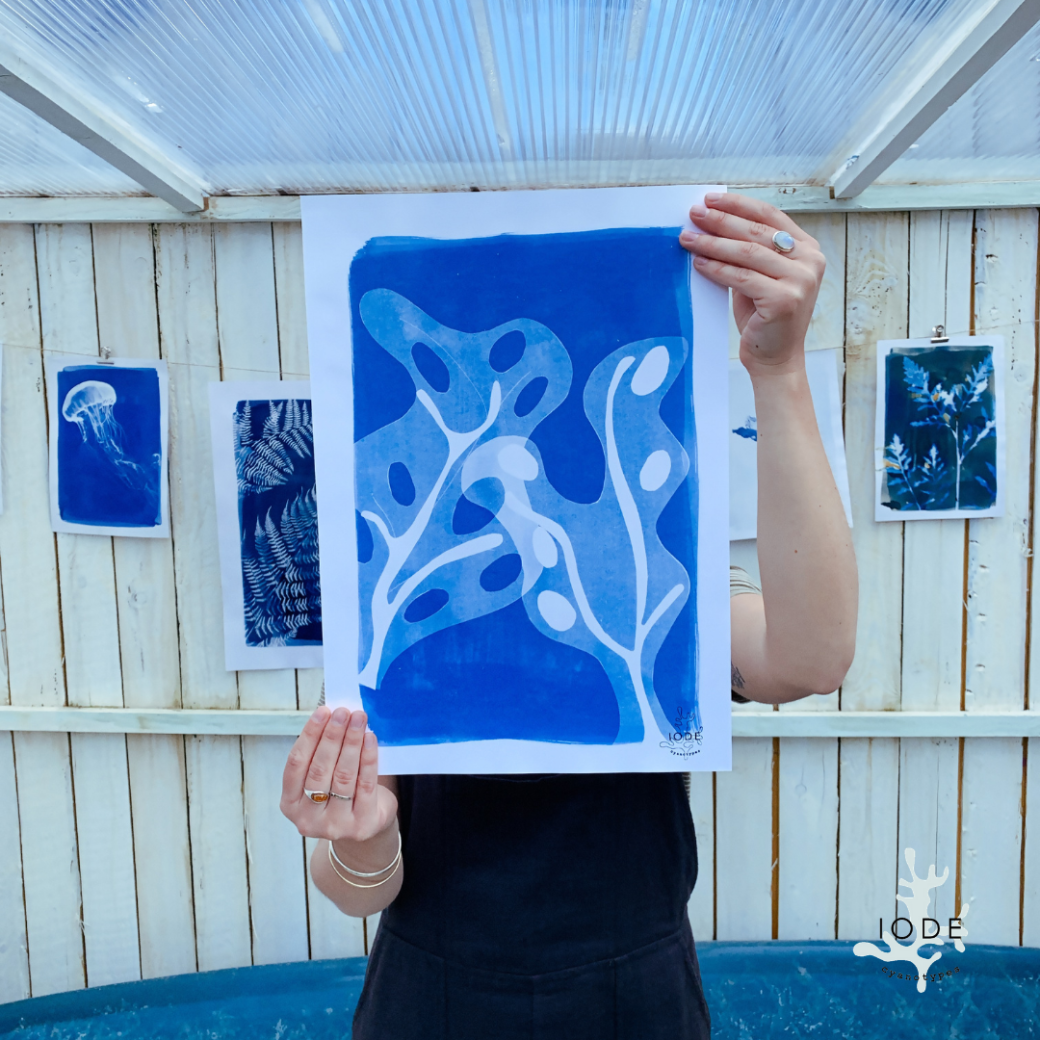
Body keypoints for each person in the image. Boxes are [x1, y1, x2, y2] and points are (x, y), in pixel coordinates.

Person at [280, 192, 858, 1039]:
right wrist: (361, 838)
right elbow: (357, 889)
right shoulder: (391, 597)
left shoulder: (660, 575)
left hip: (634, 995)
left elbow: (809, 660)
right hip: (430, 995)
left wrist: (780, 373)